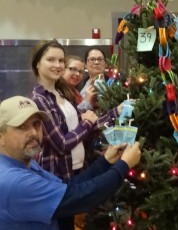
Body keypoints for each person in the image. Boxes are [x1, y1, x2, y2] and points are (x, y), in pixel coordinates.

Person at [0, 95, 141, 230]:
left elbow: (68, 188)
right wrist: (124, 165)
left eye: (36, 124)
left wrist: (106, 161)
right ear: (1, 137)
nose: (33, 133)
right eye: (21, 127)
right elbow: (79, 197)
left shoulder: (24, 162)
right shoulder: (13, 182)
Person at [30, 40, 124, 230]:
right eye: (51, 60)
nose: (58, 65)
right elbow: (62, 143)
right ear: (37, 64)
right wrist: (87, 123)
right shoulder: (39, 100)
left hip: (74, 171)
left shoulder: (61, 93)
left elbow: (87, 125)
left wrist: (117, 111)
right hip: (56, 175)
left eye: (60, 60)